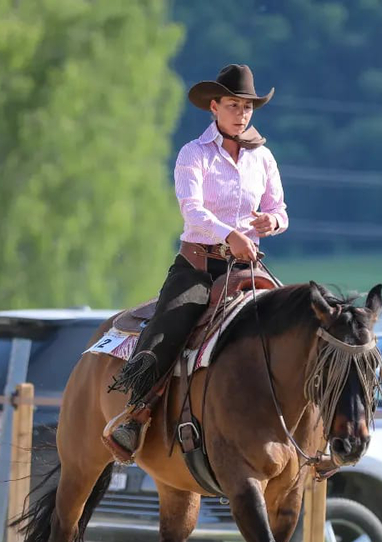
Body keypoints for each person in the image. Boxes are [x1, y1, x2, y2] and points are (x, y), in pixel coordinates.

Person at [103, 63, 289, 460]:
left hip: (246, 268)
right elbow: (193, 212)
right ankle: (135, 414)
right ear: (214, 107)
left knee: (289, 326)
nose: (242, 114)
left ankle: (296, 426)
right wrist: (232, 234)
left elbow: (280, 210)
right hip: (199, 266)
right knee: (168, 328)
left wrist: (269, 221)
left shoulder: (264, 158)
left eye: (248, 107)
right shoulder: (194, 154)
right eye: (234, 105)